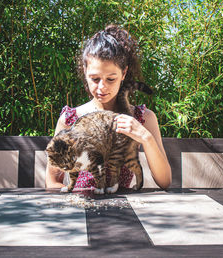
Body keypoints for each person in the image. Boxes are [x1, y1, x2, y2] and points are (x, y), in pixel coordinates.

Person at [46, 24, 172, 190]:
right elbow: (52, 182)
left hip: (126, 210)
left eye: (111, 79)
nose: (102, 88)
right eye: (95, 79)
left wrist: (145, 137)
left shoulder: (142, 117)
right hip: (81, 209)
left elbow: (165, 182)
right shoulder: (70, 119)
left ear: (124, 73)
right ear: (84, 71)